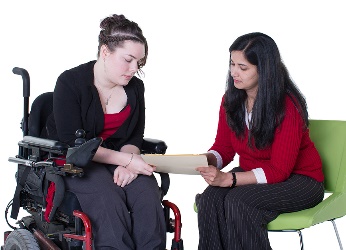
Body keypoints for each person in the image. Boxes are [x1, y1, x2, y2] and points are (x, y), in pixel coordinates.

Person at [46, 14, 166, 249]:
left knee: (146, 193)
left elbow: (133, 137)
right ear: (105, 52)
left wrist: (128, 164)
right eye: (128, 60)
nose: (134, 69)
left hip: (118, 158)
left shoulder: (135, 88)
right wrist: (128, 159)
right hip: (75, 163)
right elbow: (74, 145)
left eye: (139, 63)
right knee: (107, 196)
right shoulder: (70, 82)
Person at [195, 32, 325, 250]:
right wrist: (205, 161)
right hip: (254, 175)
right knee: (209, 199)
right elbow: (224, 148)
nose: (234, 72)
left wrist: (230, 180)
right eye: (232, 64)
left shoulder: (287, 106)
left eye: (243, 67)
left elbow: (279, 170)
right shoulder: (231, 99)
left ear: (264, 69)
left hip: (301, 181)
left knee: (239, 201)